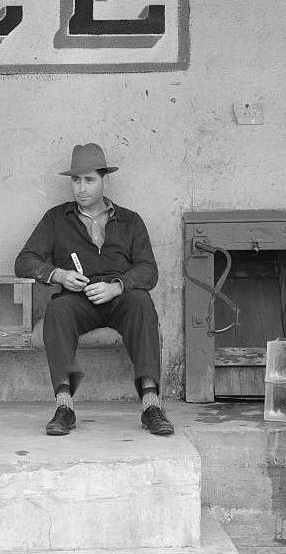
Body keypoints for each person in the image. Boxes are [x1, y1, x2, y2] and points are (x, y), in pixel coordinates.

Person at [14, 143, 174, 437]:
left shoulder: (130, 220)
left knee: (141, 302)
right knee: (58, 309)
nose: (81, 188)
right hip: (78, 301)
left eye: (89, 180)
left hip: (120, 299)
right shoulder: (56, 218)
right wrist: (58, 274)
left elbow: (148, 270)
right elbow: (25, 261)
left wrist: (117, 286)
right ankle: (64, 406)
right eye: (76, 180)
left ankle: (151, 405)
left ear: (104, 180)